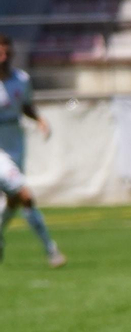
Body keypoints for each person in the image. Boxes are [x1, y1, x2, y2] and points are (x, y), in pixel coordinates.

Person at [0, 35, 62, 268]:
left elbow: (25, 105)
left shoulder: (21, 80)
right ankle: (51, 249)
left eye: (7, 53)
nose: (4, 58)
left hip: (15, 141)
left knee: (14, 201)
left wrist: (39, 119)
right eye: (0, 53)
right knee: (25, 195)